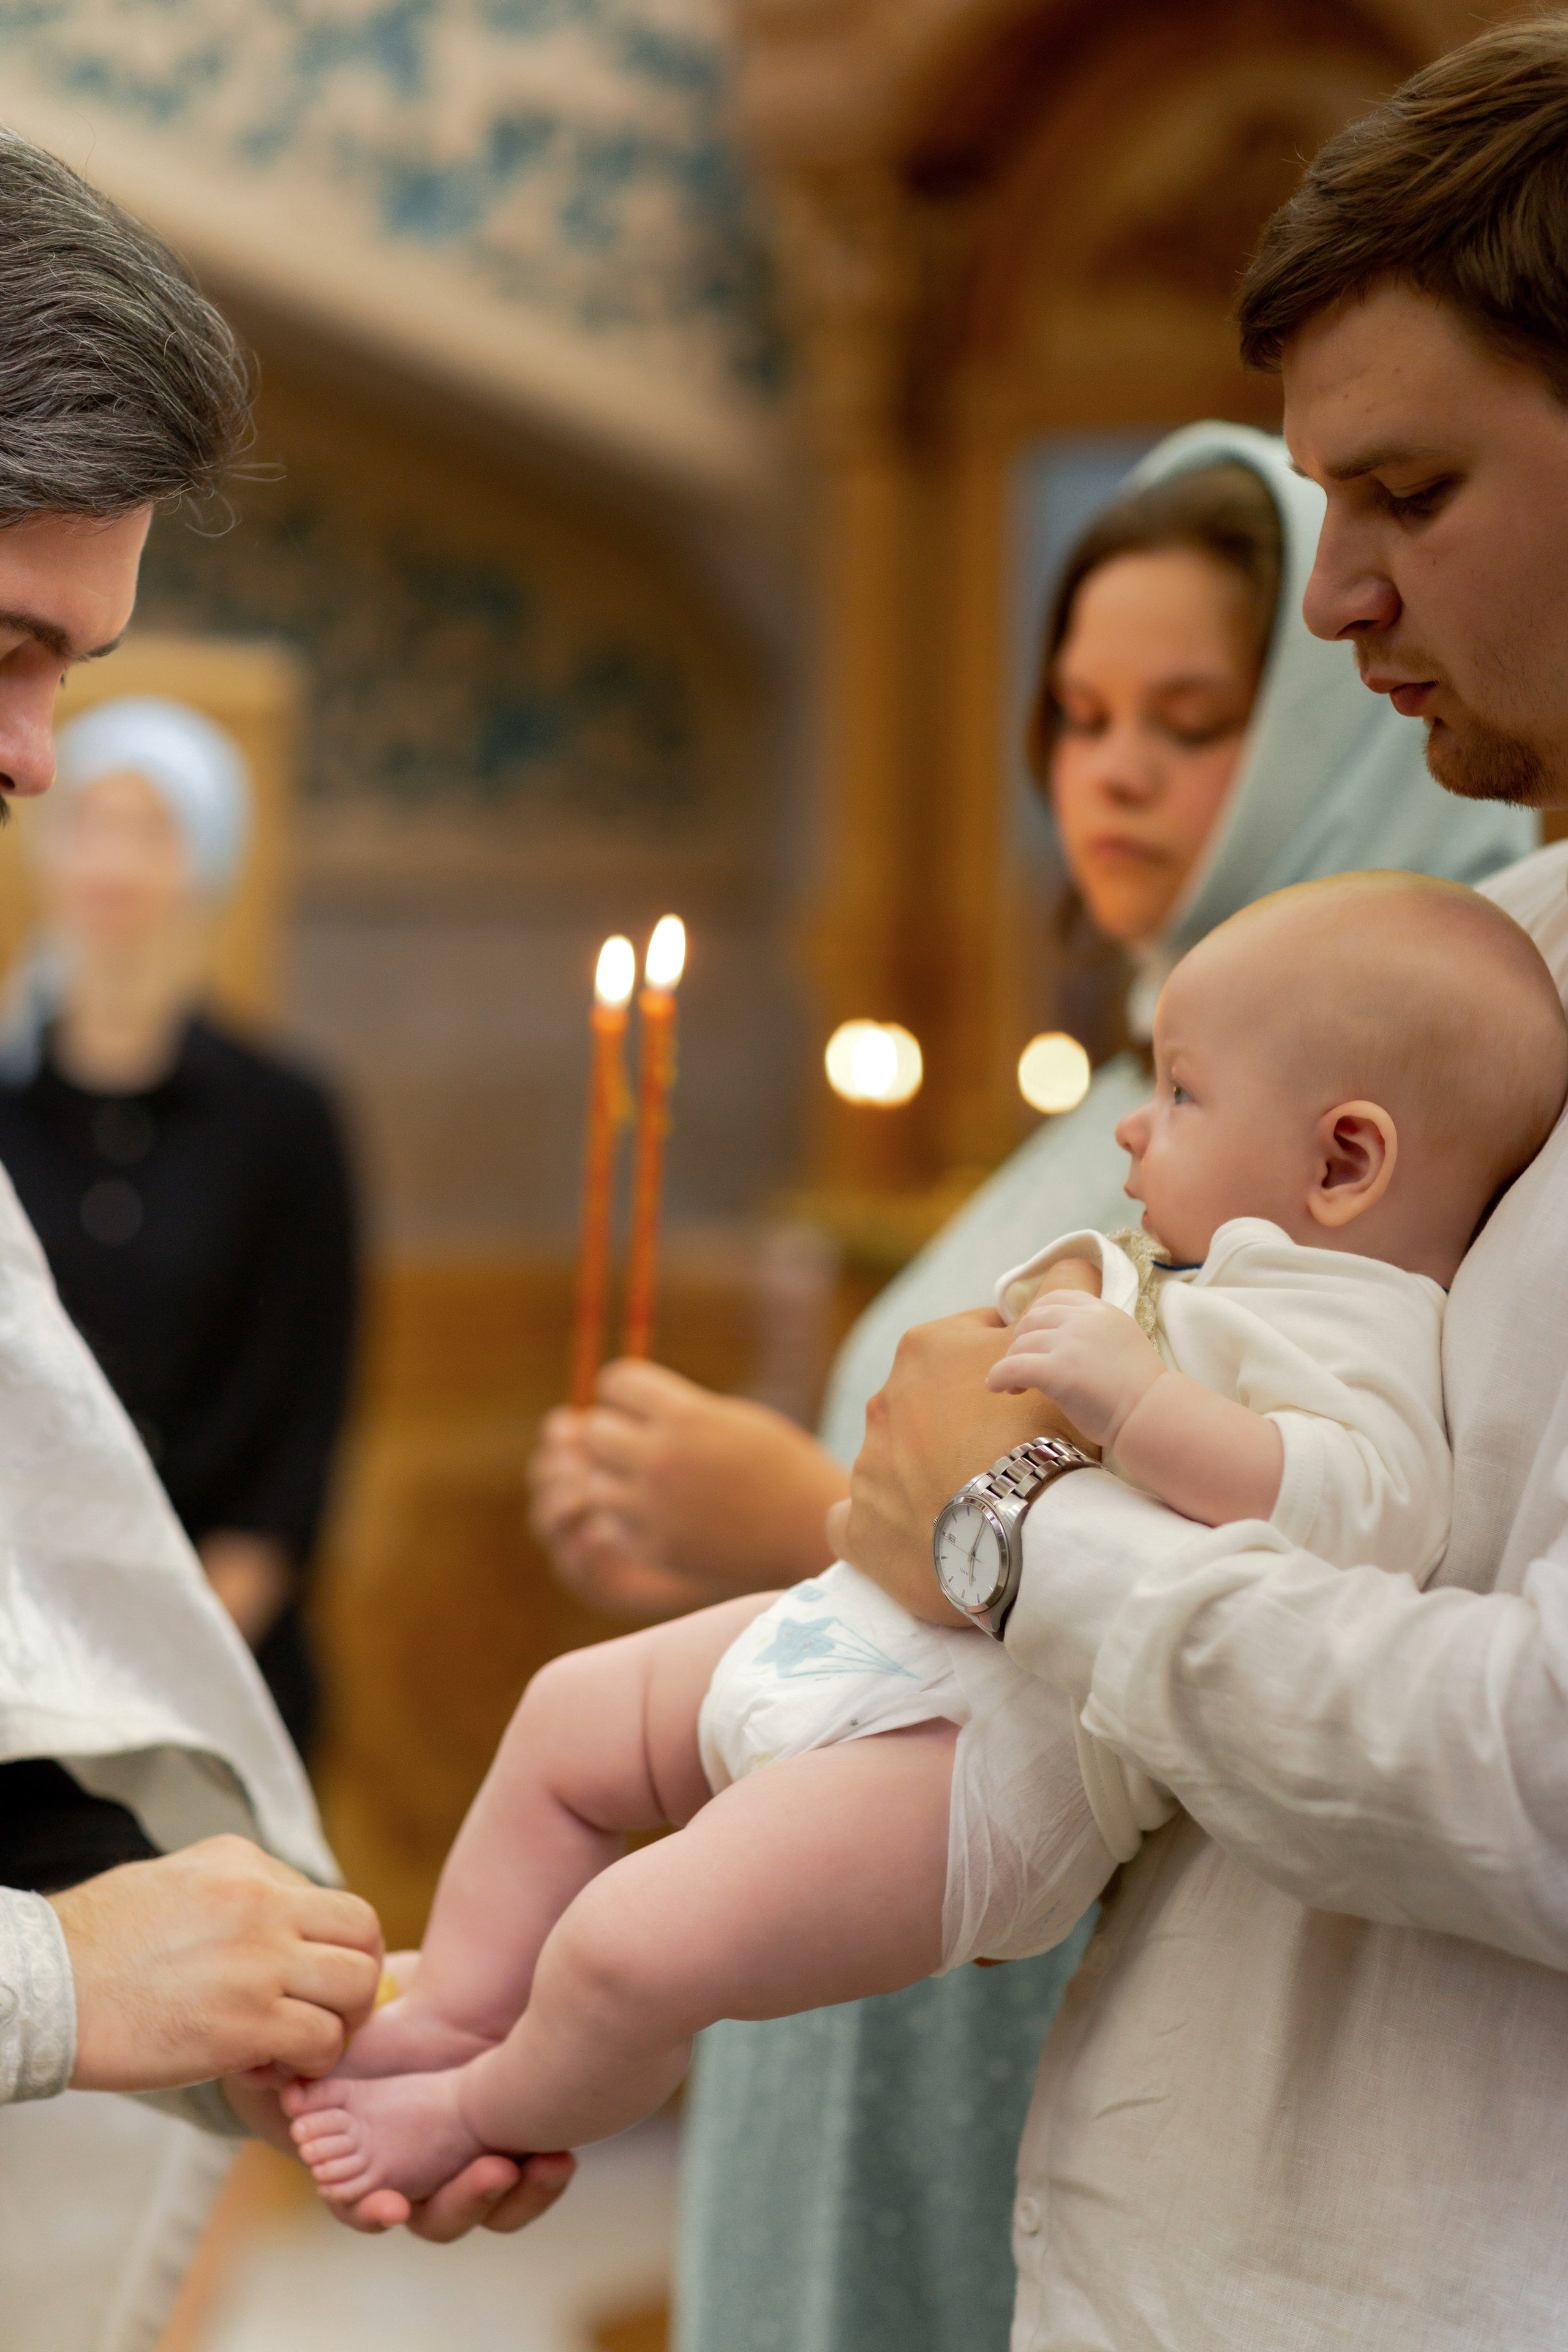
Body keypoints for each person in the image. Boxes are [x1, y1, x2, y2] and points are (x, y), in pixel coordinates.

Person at [529, 428, 1535, 2351]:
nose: (1119, 773)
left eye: (1190, 715)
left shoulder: (1399, 1088)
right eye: (1077, 717)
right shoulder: (1176, 1090)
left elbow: (1307, 1530)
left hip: (1051, 1957)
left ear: (1324, 724)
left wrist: (797, 1507)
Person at [281, 870, 1568, 2222]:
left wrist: (1135, 1402)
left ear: (1342, 1161)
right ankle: (462, 2006)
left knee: (630, 1946)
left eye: (1181, 1095)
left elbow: (1352, 1512)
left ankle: (483, 2110)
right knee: (568, 1717)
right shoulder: (1208, 1268)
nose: (1133, 1127)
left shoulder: (1365, 1332)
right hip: (882, 1629)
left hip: (977, 1765)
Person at [834, 22, 1568, 2346]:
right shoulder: (1490, 964)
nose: (1336, 601)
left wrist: (1026, 1531)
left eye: (1415, 493)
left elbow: (1546, 1777)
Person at [0, 123, 560, 2345]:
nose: (38, 765)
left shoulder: (285, 1115)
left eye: (79, 675)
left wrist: (228, 1999)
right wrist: (58, 1978)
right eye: (6, 645)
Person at [0, 693, 357, 1759]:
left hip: (216, 1653)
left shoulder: (285, 1118)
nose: (116, 862)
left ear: (206, 865)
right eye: (92, 824)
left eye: (152, 830)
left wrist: (180, 1652)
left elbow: (304, 1412)